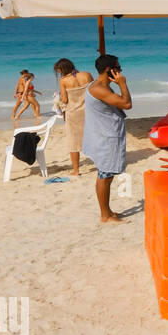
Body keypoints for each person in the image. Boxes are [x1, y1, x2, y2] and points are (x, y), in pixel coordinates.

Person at [82, 54, 132, 223]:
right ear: (108, 70)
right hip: (105, 137)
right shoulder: (98, 89)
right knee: (105, 175)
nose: (120, 71)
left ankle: (108, 211)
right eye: (117, 68)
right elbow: (126, 104)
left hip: (106, 134)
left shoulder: (102, 86)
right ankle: (105, 215)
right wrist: (123, 83)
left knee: (107, 174)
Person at [53, 59, 93, 175]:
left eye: (59, 71)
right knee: (95, 138)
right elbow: (94, 90)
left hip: (73, 114)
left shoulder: (64, 80)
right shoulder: (87, 74)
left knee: (73, 143)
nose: (60, 73)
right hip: (90, 111)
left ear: (63, 69)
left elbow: (65, 100)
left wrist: (58, 98)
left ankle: (76, 170)